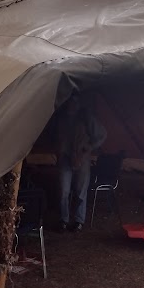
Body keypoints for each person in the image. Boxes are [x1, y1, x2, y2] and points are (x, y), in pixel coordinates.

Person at [56, 94, 107, 232]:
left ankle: (79, 221)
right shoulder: (60, 118)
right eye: (70, 102)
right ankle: (63, 220)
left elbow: (101, 135)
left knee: (80, 191)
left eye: (75, 102)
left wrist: (89, 147)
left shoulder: (86, 118)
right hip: (65, 158)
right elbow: (54, 136)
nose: (72, 104)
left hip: (82, 157)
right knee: (63, 191)